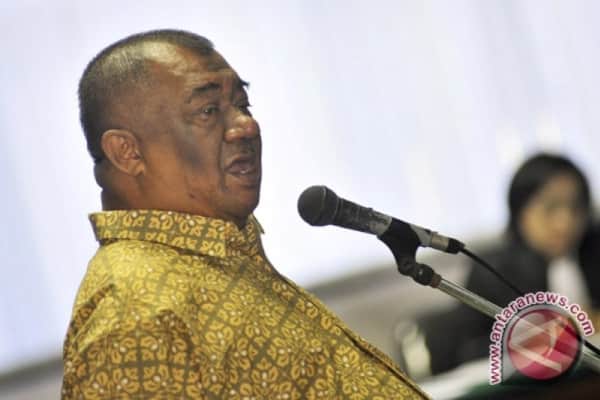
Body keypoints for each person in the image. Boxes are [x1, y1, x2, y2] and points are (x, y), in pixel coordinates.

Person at [61, 29, 428, 399]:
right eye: (208, 111)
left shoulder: (218, 259)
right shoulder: (135, 311)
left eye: (243, 105)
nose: (246, 127)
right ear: (127, 153)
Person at [419, 152, 600, 375]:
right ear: (520, 211)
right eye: (550, 208)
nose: (565, 222)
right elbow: (466, 351)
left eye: (575, 208)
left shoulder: (595, 249)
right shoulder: (492, 270)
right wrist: (532, 339)